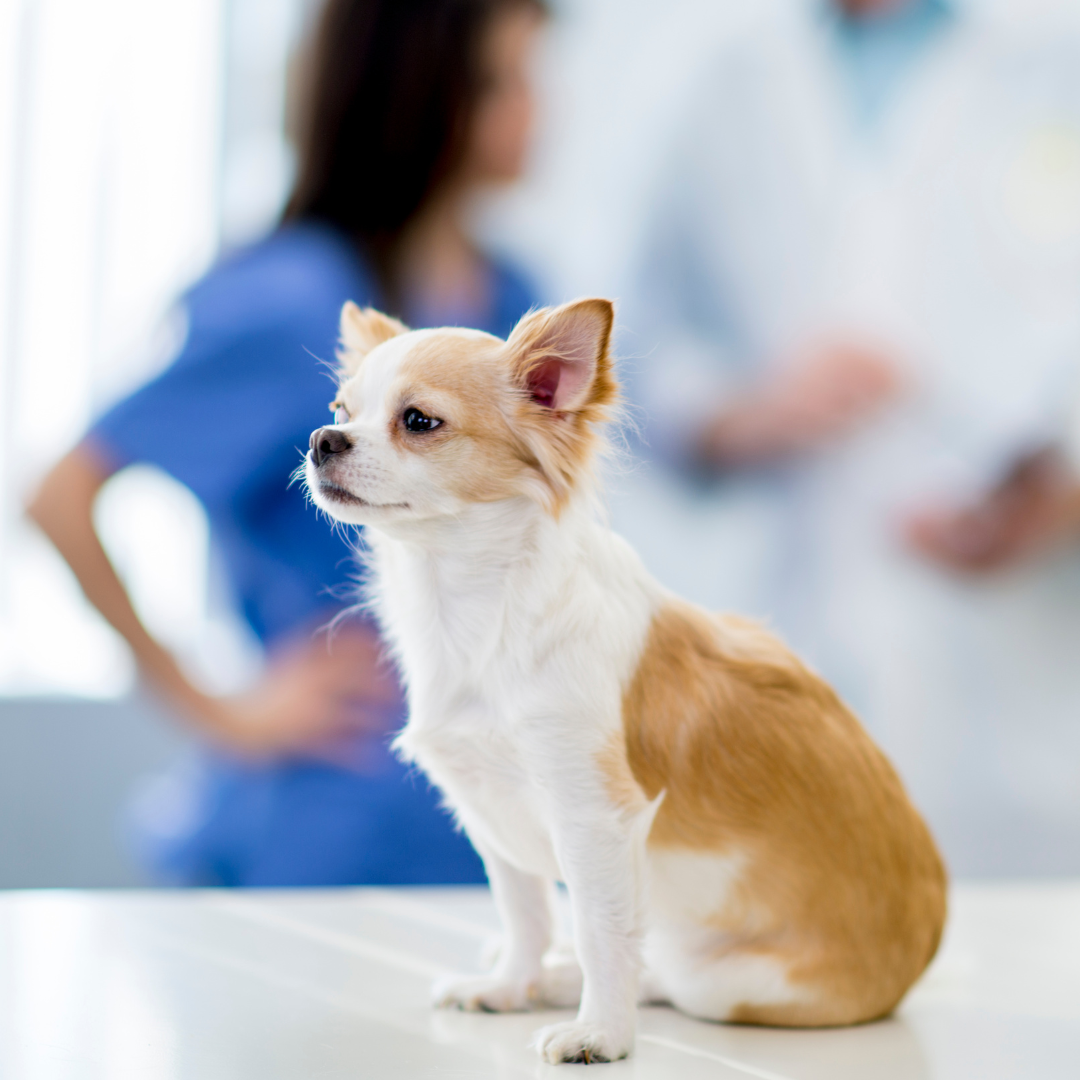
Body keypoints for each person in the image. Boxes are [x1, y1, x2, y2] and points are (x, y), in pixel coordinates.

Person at [26, 0, 548, 886]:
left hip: (493, 827)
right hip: (331, 827)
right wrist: (221, 711)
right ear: (424, 94)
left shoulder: (516, 295)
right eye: (507, 81)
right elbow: (59, 496)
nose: (540, 110)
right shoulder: (288, 301)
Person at [623, 0, 1080, 875]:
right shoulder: (722, 67)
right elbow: (636, 342)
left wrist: (1064, 489)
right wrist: (741, 415)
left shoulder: (1054, 49)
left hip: (1031, 686)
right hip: (795, 617)